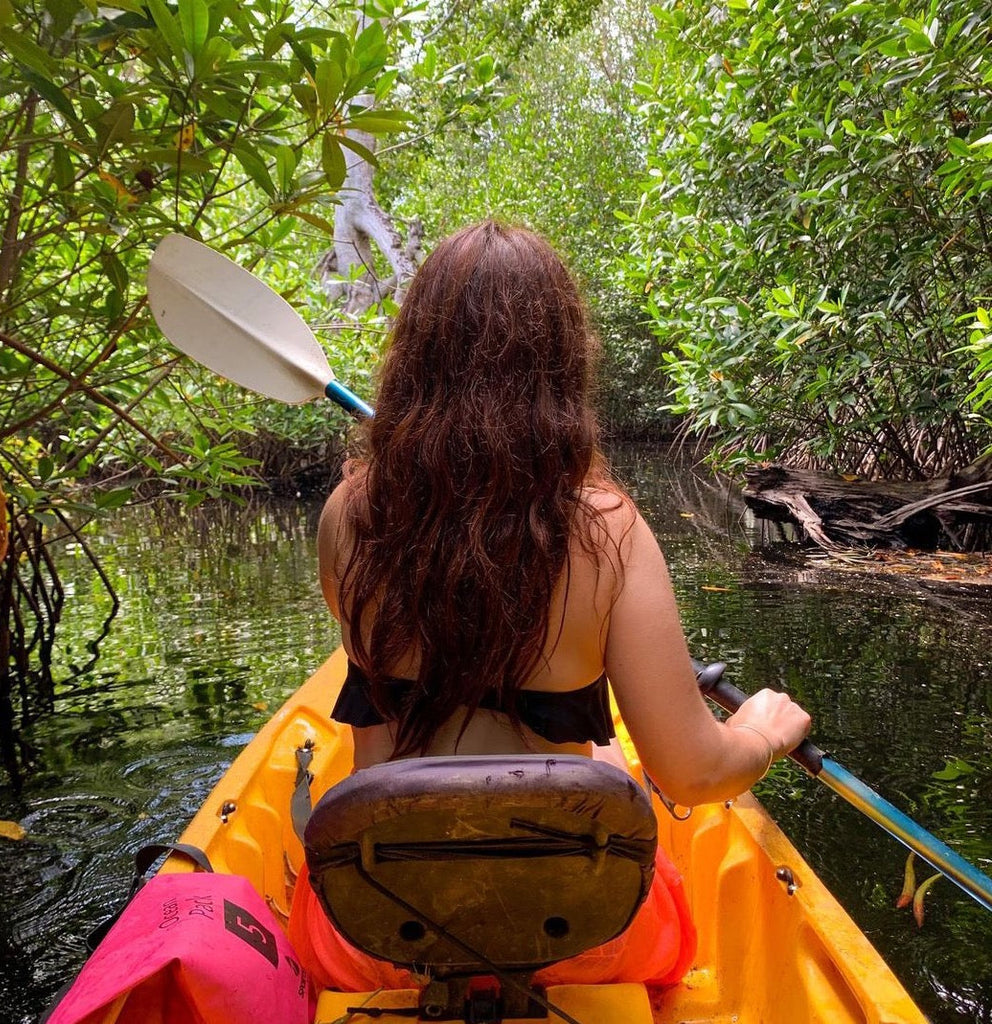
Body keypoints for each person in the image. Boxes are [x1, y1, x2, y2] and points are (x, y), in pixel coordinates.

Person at [290, 219, 812, 994]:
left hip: (380, 935)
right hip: (581, 939)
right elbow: (693, 774)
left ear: (413, 358)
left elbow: (382, 676)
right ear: (563, 365)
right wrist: (762, 734)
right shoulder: (609, 530)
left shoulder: (347, 516)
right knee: (618, 776)